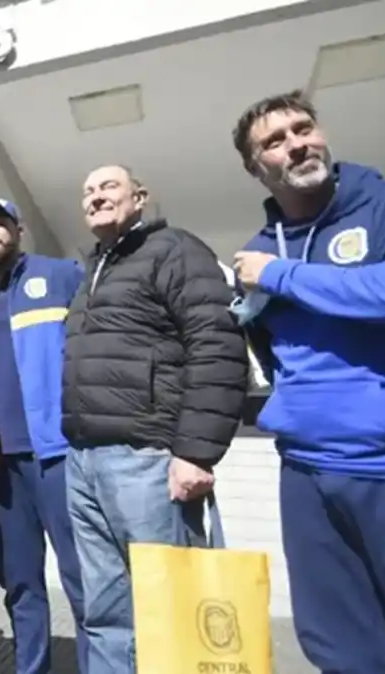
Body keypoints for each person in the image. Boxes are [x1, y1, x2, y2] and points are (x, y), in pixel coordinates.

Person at [229, 90, 385, 673]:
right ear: (258, 170)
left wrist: (283, 275)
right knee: (340, 652)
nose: (297, 142)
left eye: (303, 128)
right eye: (274, 141)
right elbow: (272, 355)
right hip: (308, 474)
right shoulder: (258, 251)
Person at [61, 165, 249, 671]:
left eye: (108, 186)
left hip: (145, 459)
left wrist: (195, 451)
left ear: (140, 198)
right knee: (104, 611)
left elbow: (218, 343)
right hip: (83, 461)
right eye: (88, 191)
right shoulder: (93, 271)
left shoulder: (175, 250)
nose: (96, 196)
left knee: (169, 604)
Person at [0, 196, 87, 674]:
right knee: (21, 582)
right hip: (2, 467)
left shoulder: (63, 275)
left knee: (82, 578)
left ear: (19, 229)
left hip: (60, 457)